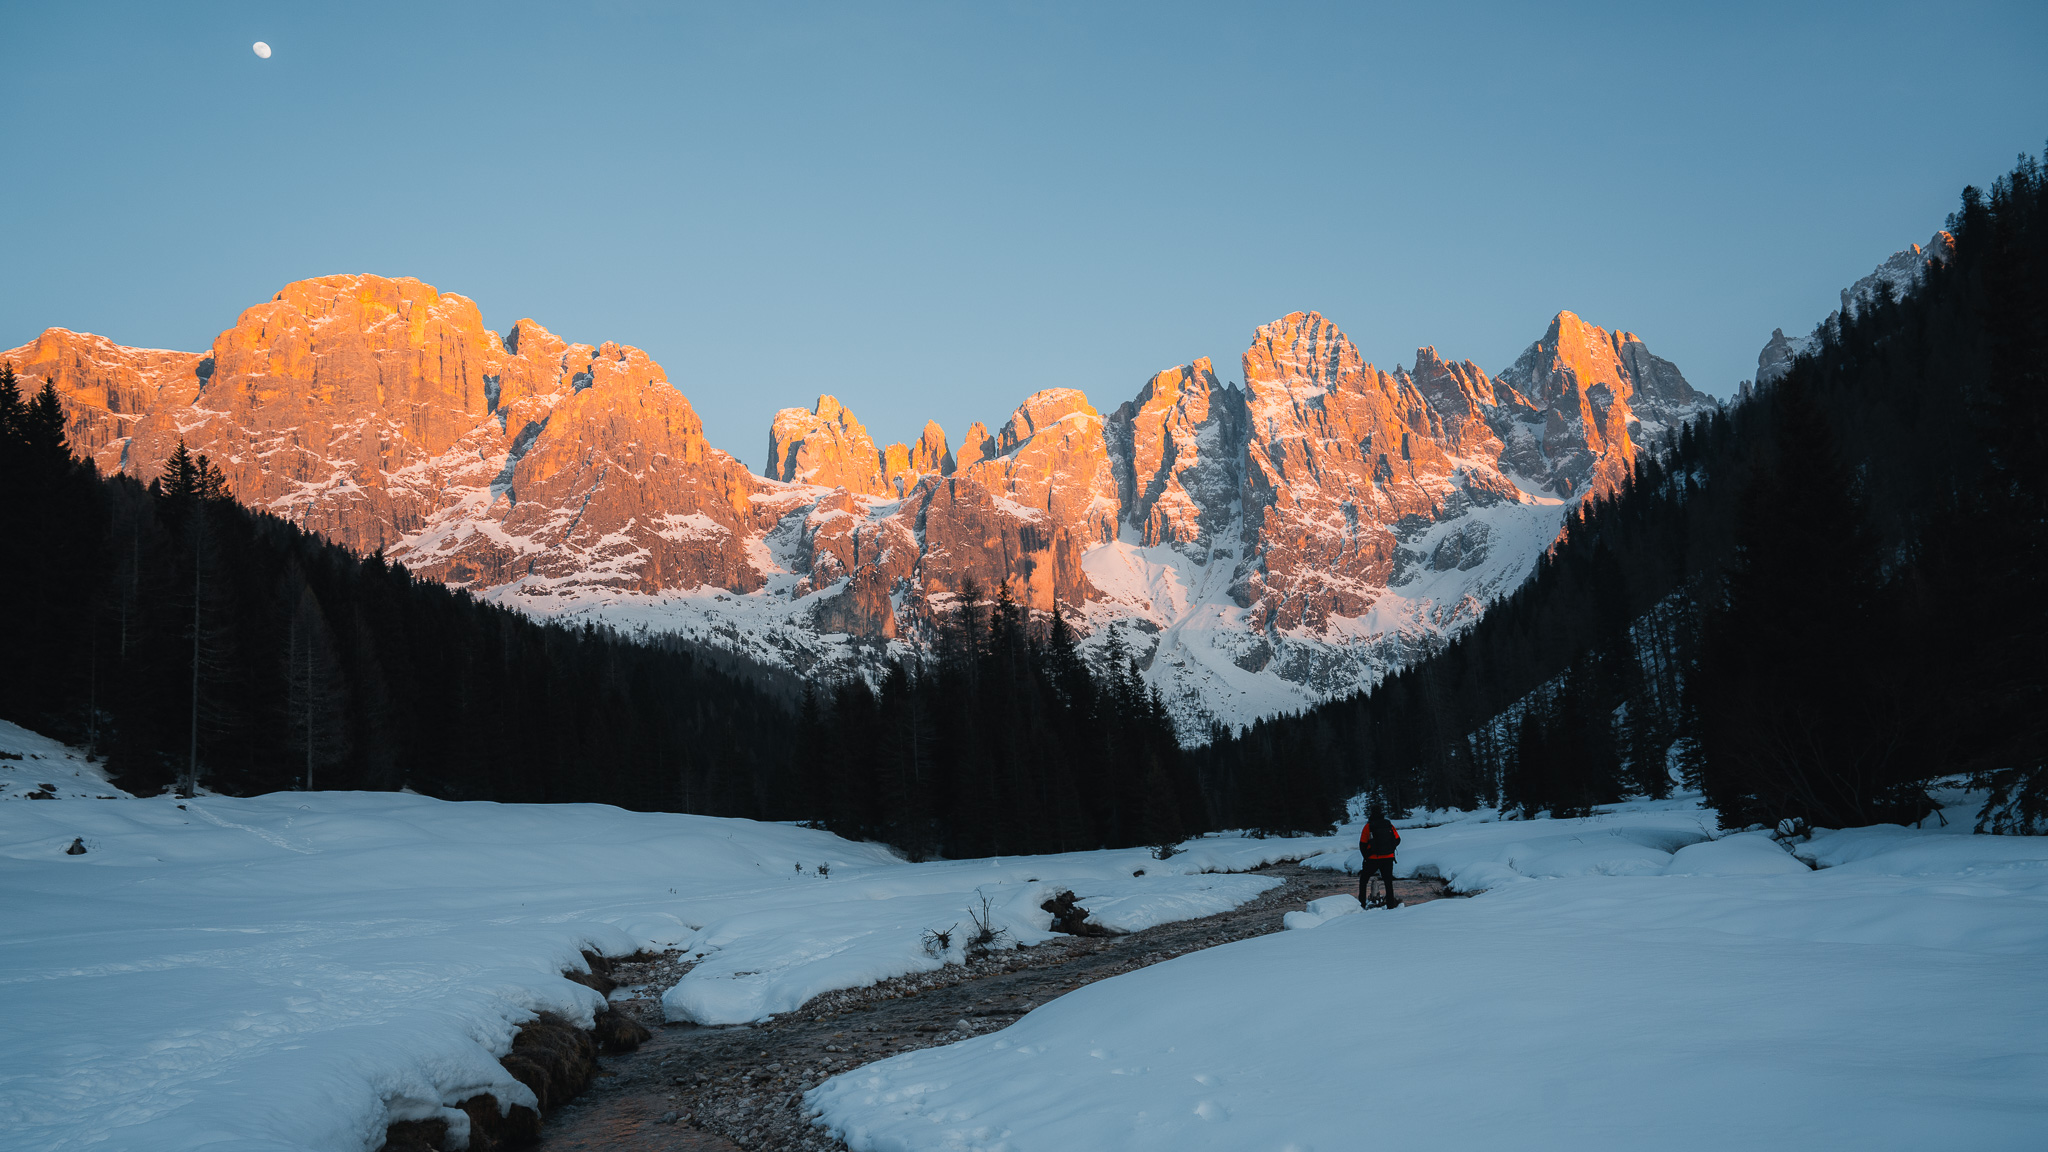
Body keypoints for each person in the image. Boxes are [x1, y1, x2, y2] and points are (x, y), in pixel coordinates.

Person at [1359, 799, 1401, 909]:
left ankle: (1361, 905)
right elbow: (1397, 840)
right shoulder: (1388, 824)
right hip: (1388, 858)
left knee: (1363, 880)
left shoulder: (1368, 826)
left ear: (1371, 813)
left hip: (1373, 859)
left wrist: (1367, 856)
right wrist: (1390, 849)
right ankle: (1391, 906)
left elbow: (1362, 845)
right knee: (1388, 882)